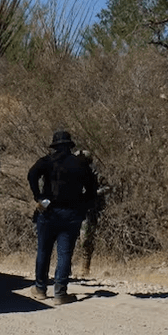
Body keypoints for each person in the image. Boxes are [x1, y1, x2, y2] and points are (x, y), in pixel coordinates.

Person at [27, 130, 98, 305]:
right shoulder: (80, 164)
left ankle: (40, 289)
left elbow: (31, 175)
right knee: (64, 253)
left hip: (49, 210)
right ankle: (60, 293)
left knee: (44, 250)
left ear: (55, 146)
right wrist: (83, 206)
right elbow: (92, 189)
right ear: (69, 146)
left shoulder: (47, 161)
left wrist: (39, 197)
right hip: (71, 213)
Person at [75, 149, 109, 277]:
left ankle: (85, 268)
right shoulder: (73, 172)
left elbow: (108, 187)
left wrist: (94, 193)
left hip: (89, 211)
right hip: (74, 210)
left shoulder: (95, 173)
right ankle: (66, 268)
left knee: (85, 240)